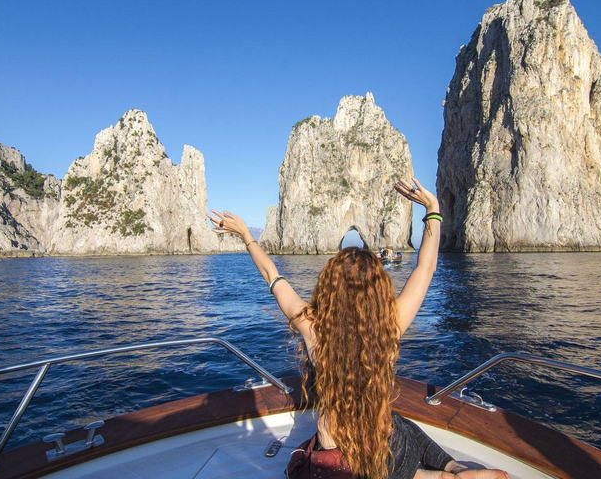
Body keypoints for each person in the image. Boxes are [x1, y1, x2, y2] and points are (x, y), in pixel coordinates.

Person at [208, 178, 509, 479]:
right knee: (397, 424)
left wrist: (247, 235)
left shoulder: (312, 326)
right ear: (378, 288)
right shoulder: (390, 325)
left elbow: (272, 276)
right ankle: (448, 470)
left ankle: (438, 474)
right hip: (388, 451)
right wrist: (433, 209)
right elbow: (425, 268)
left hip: (340, 466)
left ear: (329, 287)